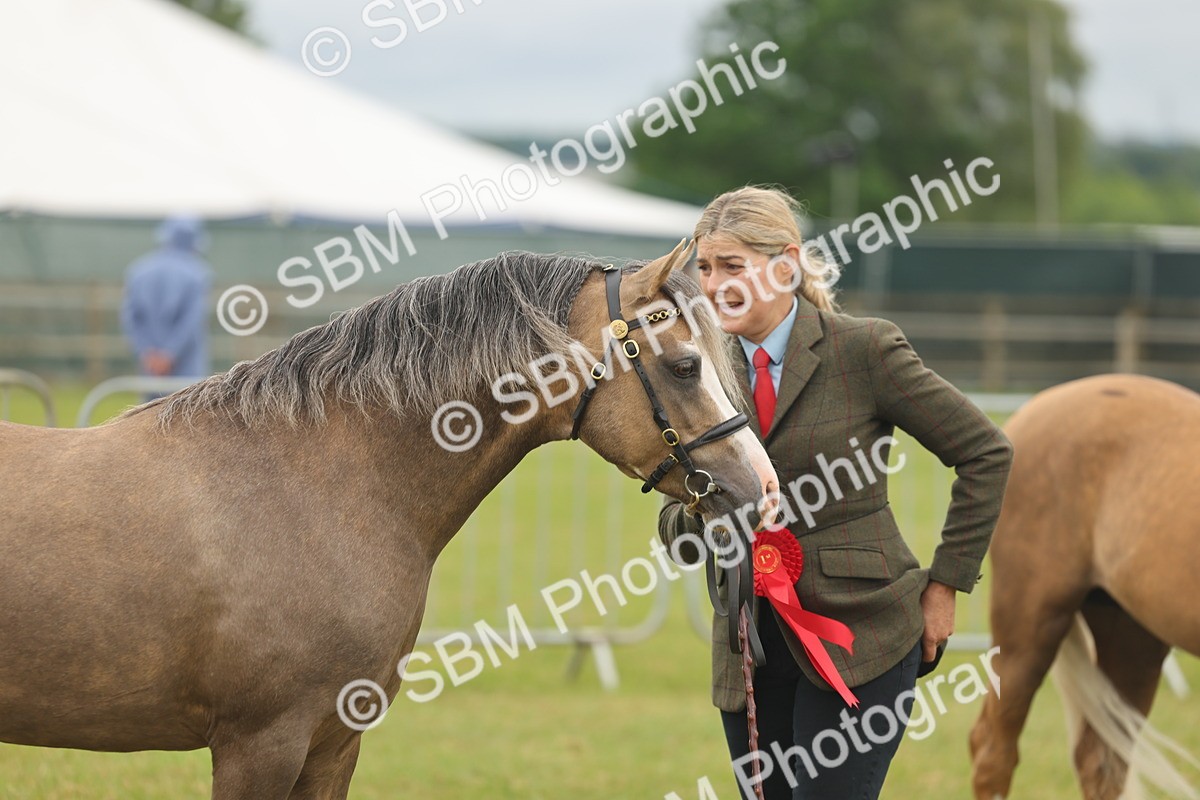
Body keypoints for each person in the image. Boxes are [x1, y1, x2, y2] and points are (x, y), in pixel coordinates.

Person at [657, 186, 1013, 799]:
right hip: (748, 646)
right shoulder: (698, 372)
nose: (713, 286)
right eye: (705, 268)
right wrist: (709, 514)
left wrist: (946, 584)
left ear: (786, 264)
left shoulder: (865, 349)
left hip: (864, 634)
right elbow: (674, 522)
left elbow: (986, 453)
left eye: (732, 266)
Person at [120, 215, 212, 382]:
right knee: (190, 407)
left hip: (151, 370)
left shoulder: (138, 271)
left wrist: (147, 354)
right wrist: (169, 355)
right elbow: (192, 321)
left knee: (151, 408)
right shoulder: (198, 274)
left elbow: (131, 318)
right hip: (186, 372)